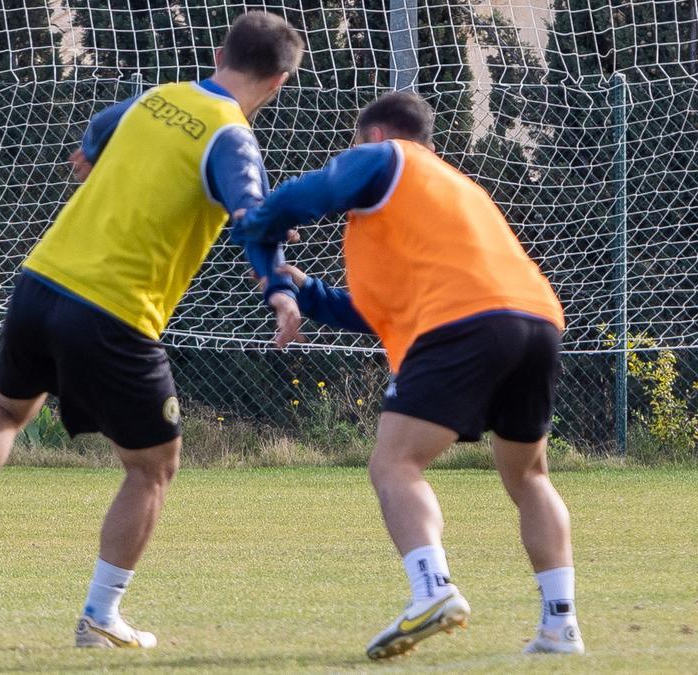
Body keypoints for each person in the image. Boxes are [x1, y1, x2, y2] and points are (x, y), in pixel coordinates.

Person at [0, 11, 306, 648]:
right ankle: (100, 616)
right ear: (278, 83)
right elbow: (253, 215)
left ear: (221, 51)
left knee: (4, 410)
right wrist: (278, 286)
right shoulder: (233, 136)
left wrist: (89, 157)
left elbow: (100, 126)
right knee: (153, 469)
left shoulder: (160, 97)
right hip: (114, 312)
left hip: (41, 280)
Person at [236, 91, 583, 659]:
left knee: (395, 462)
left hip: (464, 322)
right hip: (536, 319)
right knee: (529, 477)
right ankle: (560, 626)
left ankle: (432, 590)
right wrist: (307, 292)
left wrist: (257, 222)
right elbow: (381, 311)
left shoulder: (385, 156)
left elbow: (303, 194)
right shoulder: (454, 189)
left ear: (373, 137)